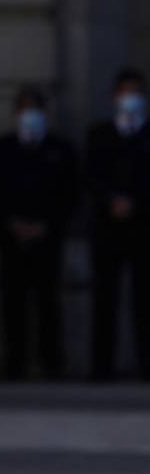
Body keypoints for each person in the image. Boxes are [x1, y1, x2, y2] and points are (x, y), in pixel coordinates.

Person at [0, 87, 76, 379]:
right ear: (15, 114)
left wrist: (45, 225)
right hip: (11, 238)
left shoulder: (60, 149)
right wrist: (11, 223)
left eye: (35, 109)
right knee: (13, 302)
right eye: (25, 109)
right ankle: (15, 362)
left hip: (47, 238)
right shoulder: (3, 148)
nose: (30, 116)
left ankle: (51, 361)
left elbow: (70, 194)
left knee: (48, 301)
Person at [86, 67, 150, 379]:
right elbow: (89, 178)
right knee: (104, 299)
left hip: (142, 228)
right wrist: (110, 201)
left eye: (136, 92)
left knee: (145, 301)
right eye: (125, 91)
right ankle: (102, 367)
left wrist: (135, 203)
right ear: (114, 96)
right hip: (107, 227)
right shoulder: (99, 135)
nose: (130, 98)